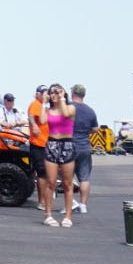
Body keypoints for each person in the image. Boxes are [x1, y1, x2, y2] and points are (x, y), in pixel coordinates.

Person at [40, 84, 76, 227]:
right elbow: (42, 121)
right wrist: (43, 102)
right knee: (51, 182)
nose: (54, 95)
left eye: (57, 92)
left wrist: (62, 98)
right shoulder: (49, 110)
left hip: (67, 144)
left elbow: (66, 114)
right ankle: (48, 214)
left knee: (67, 183)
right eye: (52, 93)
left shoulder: (70, 108)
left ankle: (68, 215)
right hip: (52, 143)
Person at [69, 83, 98, 213]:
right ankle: (83, 205)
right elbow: (95, 129)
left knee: (66, 177)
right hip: (84, 146)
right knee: (84, 178)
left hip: (70, 145)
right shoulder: (90, 110)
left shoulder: (68, 108)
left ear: (72, 93)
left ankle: (70, 203)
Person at [27, 84, 49, 207]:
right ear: (38, 94)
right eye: (44, 93)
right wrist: (34, 125)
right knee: (42, 173)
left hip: (46, 143)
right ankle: (42, 201)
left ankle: (45, 200)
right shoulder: (36, 104)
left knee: (46, 174)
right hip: (38, 143)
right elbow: (31, 116)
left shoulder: (44, 106)